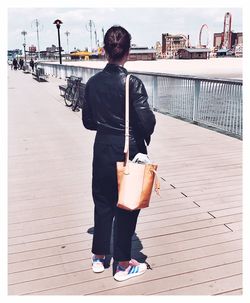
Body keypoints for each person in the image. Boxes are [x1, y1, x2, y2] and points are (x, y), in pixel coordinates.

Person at [82, 25, 156, 281]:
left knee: (103, 201)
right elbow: (147, 123)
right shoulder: (131, 83)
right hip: (128, 150)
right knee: (127, 206)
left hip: (102, 147)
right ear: (128, 51)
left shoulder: (92, 83)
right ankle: (123, 264)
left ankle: (100, 256)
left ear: (105, 51)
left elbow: (88, 122)